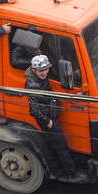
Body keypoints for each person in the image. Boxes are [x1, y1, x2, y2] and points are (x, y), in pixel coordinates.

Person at [25, 54, 85, 182]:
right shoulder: (33, 86)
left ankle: (54, 171)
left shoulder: (39, 79)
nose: (44, 73)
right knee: (60, 145)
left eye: (46, 69)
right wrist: (48, 121)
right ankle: (71, 172)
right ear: (34, 70)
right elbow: (33, 110)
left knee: (48, 145)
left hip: (49, 116)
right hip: (47, 119)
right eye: (41, 71)